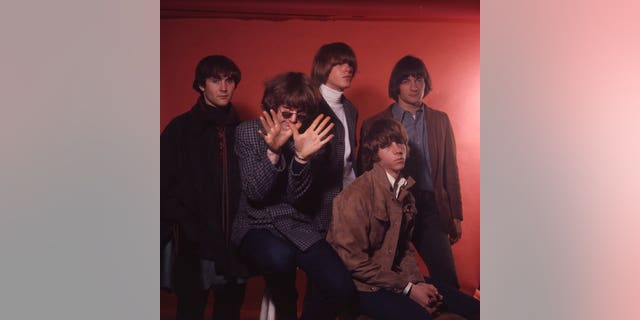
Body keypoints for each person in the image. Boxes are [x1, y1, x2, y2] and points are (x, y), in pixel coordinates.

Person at [232, 72, 355, 320]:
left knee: (343, 289)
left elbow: (297, 198)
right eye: (287, 113)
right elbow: (256, 193)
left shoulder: (310, 140)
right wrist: (273, 152)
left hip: (297, 224)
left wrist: (301, 159)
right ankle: (286, 307)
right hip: (256, 224)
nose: (293, 121)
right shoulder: (247, 132)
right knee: (280, 258)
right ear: (271, 106)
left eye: (301, 115)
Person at [328, 118, 479, 320]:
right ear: (375, 153)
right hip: (364, 287)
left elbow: (404, 248)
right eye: (387, 145)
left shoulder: (405, 192)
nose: (398, 149)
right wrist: (408, 289)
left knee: (473, 308)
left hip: (395, 279)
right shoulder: (354, 196)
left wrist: (417, 283)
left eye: (400, 142)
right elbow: (353, 262)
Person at [359, 55, 463, 288]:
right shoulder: (375, 123)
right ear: (396, 85)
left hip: (430, 207)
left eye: (419, 79)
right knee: (386, 278)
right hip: (390, 206)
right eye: (406, 80)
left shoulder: (440, 121)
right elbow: (363, 173)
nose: (414, 86)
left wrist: (455, 214)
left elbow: (450, 169)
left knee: (446, 277)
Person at [160, 55, 247, 320]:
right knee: (190, 310)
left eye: (230, 80)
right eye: (215, 80)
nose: (224, 87)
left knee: (230, 312)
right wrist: (186, 224)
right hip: (194, 243)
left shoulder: (243, 130)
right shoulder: (179, 129)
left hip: (234, 244)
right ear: (200, 85)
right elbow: (162, 185)